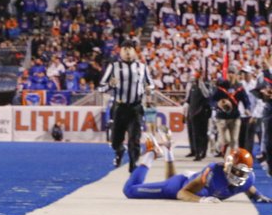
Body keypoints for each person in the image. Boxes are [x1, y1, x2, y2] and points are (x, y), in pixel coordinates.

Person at [124, 144, 271, 204]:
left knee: (168, 180)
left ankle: (168, 153)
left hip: (197, 183)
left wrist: (257, 195)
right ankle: (150, 154)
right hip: (181, 184)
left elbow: (247, 186)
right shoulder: (213, 173)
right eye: (236, 171)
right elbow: (182, 193)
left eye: (242, 172)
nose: (239, 176)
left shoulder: (248, 179)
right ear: (227, 165)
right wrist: (201, 200)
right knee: (130, 191)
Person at [98, 40, 154, 172]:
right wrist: (110, 85)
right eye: (125, 49)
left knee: (134, 139)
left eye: (130, 49)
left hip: (135, 108)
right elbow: (100, 88)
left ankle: (133, 165)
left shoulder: (142, 67)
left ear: (135, 51)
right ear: (120, 51)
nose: (128, 52)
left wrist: (148, 89)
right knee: (115, 140)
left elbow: (151, 84)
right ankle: (119, 150)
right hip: (120, 107)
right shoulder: (114, 67)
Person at [250, 55, 272, 175]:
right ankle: (270, 165)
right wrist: (264, 94)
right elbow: (256, 90)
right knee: (268, 140)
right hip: (269, 108)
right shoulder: (263, 75)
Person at [183, 72, 211, 161]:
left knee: (202, 134)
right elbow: (189, 100)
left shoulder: (206, 85)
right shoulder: (193, 87)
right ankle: (196, 151)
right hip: (193, 113)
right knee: (194, 134)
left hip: (202, 113)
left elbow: (207, 95)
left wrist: (201, 83)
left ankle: (203, 151)